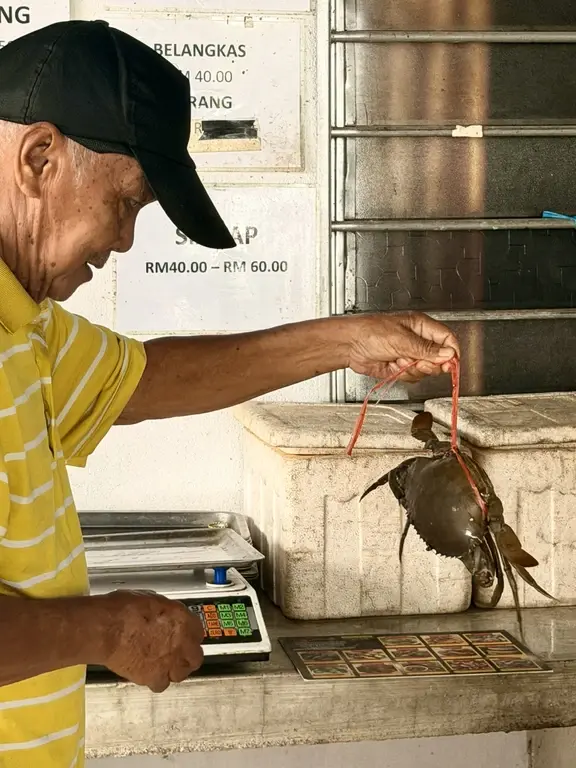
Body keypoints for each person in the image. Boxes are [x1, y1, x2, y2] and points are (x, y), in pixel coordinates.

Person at [0, 18, 459, 768]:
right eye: (126, 202)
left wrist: (350, 340)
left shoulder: (24, 324)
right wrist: (105, 632)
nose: (123, 244)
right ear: (41, 157)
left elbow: (146, 379)